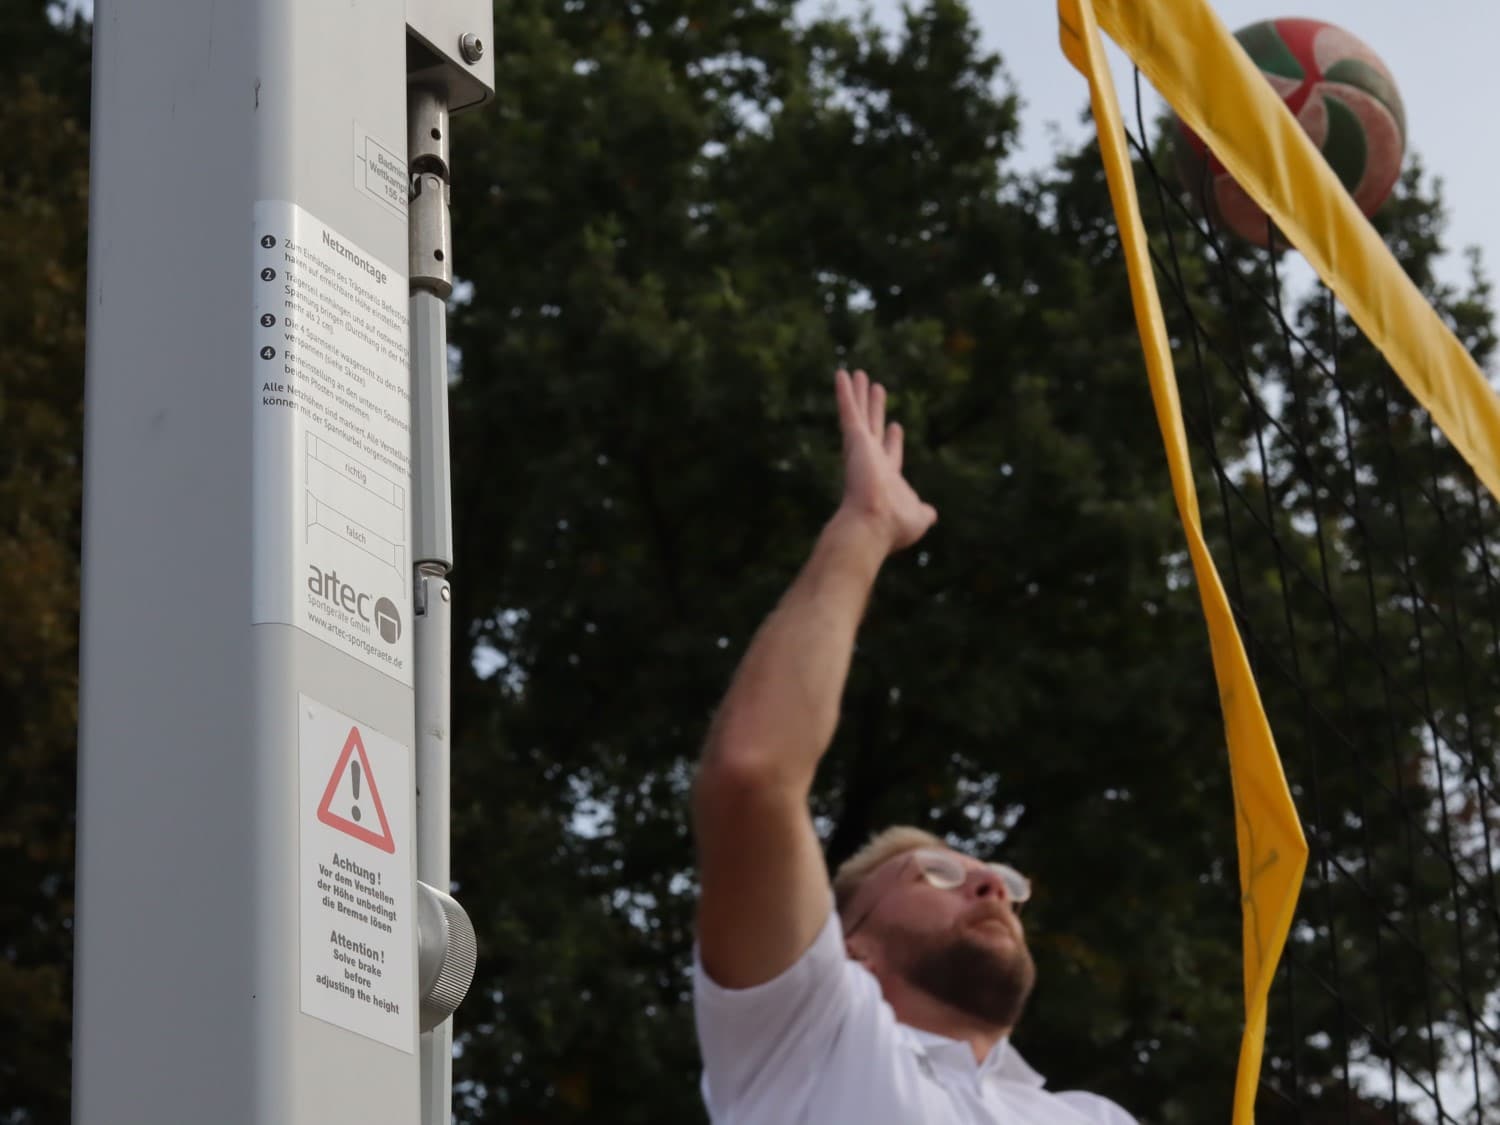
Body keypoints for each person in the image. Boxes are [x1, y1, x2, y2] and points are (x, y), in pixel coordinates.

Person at [691, 369, 1137, 1124]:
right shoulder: (814, 1035)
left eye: (998, 876)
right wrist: (865, 524)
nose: (992, 885)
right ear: (849, 945)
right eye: (934, 872)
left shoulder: (1094, 1118)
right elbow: (753, 773)